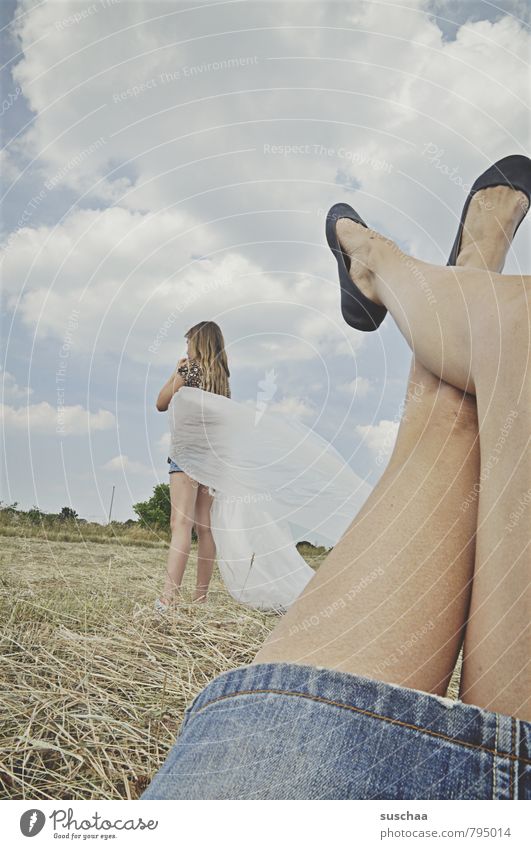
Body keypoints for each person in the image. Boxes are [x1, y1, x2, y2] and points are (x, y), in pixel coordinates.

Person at [143, 155, 531, 798]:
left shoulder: (203, 377)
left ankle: (387, 266)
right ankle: (453, 288)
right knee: (494, 370)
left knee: (455, 410)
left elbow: (185, 412)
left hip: (286, 778)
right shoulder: (204, 376)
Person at [154, 320, 231, 609]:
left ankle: (168, 597)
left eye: (188, 342)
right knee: (205, 528)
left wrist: (176, 371)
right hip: (212, 458)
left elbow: (161, 402)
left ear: (197, 343)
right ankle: (200, 599)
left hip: (186, 456)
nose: (186, 347)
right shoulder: (222, 378)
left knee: (181, 524)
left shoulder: (190, 369)